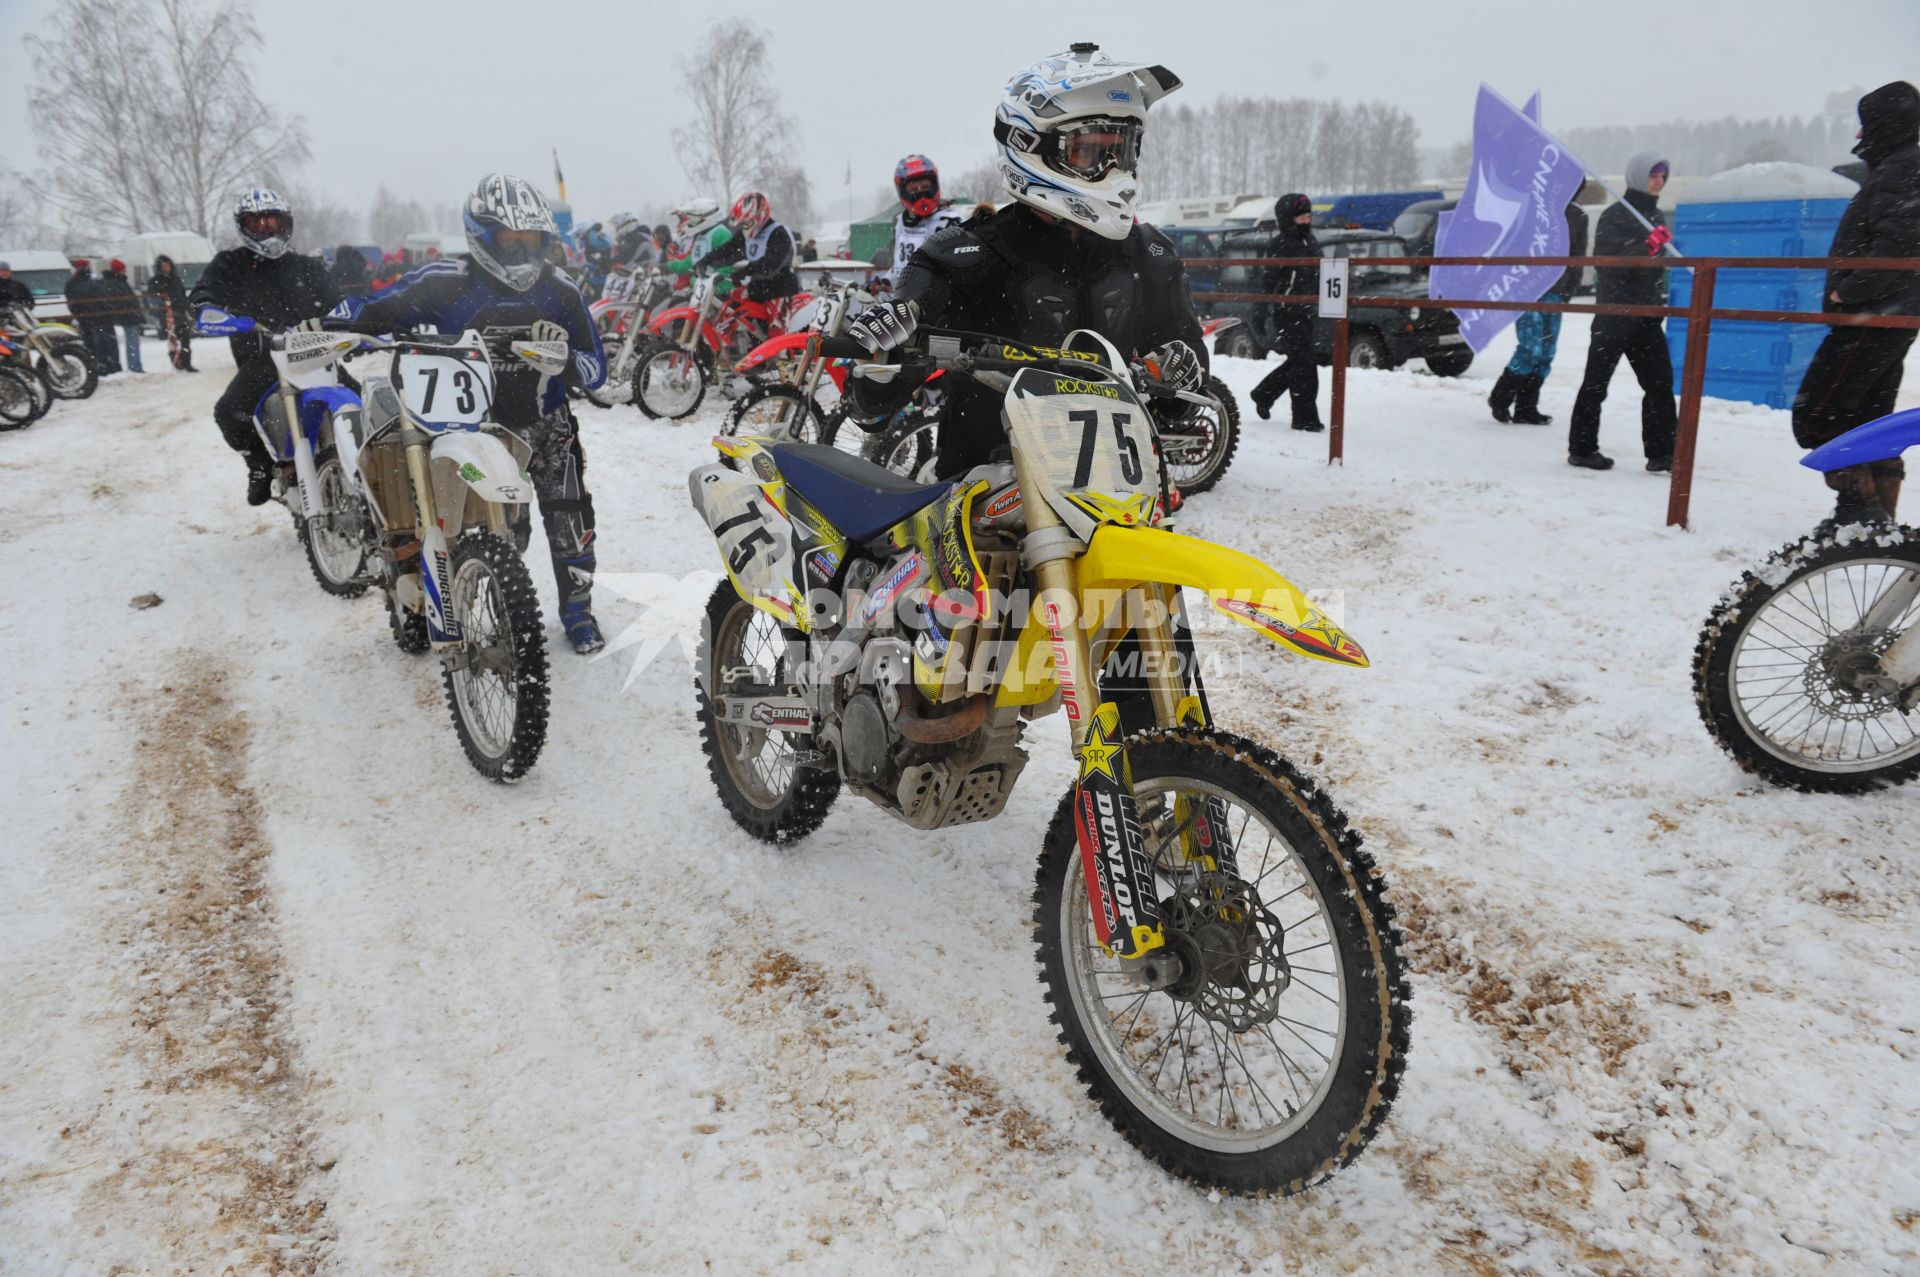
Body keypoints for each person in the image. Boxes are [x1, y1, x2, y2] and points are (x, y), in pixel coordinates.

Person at [843, 43, 1204, 479]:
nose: (1112, 169)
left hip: (1116, 503)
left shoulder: (1149, 255)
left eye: (1120, 150)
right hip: (988, 509)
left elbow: (1181, 408)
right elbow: (871, 410)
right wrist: (880, 355)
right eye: (1089, 152)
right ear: (1031, 146)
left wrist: (1179, 372)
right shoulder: (961, 259)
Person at [331, 173, 610, 655]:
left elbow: (598, 368)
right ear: (482, 236)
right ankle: (475, 596)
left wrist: (564, 360)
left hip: (550, 427)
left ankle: (578, 612)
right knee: (500, 527)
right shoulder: (446, 282)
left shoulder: (560, 289)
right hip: (476, 427)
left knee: (570, 519)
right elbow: (374, 306)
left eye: (532, 241)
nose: (522, 252)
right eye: (510, 240)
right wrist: (335, 323)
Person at [1791, 80, 1920, 525]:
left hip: (1873, 318)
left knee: (1816, 417)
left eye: (1865, 127)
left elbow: (1900, 245)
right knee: (1870, 422)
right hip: (1892, 317)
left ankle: (1862, 513)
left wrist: (1849, 290)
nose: (1859, 138)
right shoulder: (1903, 166)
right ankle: (1877, 519)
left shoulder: (1900, 170)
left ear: (1884, 125)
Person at [189, 188, 340, 505]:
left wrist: (356, 322)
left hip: (315, 355)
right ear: (244, 227)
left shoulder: (307, 267)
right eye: (258, 224)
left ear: (287, 224)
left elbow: (337, 303)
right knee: (229, 412)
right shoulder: (229, 264)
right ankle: (258, 463)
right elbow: (203, 296)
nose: (268, 230)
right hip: (263, 360)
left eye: (274, 222)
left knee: (357, 405)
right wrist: (209, 311)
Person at [1567, 151, 1677, 472]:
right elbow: (1607, 261)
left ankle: (1662, 454)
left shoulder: (1655, 217)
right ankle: (1582, 449)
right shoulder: (1615, 214)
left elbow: (1651, 269)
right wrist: (1646, 248)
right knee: (1596, 383)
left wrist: (1656, 258)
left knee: (1660, 383)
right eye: (1652, 175)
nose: (1658, 182)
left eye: (1662, 176)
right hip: (1614, 315)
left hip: (1646, 316)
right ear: (1637, 176)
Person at [1489, 197, 1588, 425]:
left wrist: (1570, 287)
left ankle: (1527, 407)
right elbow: (1511, 243)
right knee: (1530, 348)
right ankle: (1500, 398)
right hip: (1528, 288)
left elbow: (1578, 254)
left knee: (1546, 351)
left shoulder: (1578, 215)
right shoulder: (1531, 207)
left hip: (1557, 290)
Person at [1247, 194, 1323, 430]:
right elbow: (1267, 281)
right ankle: (1304, 418)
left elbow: (1320, 272)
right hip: (1287, 311)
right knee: (1304, 364)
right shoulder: (1280, 244)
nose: (1306, 221)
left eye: (1308, 216)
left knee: (1301, 361)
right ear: (1287, 219)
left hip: (1306, 310)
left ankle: (1264, 394)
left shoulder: (1310, 241)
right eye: (1301, 217)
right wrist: (1259, 311)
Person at [695, 191, 798, 304]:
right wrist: (706, 261)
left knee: (749, 317)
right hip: (757, 289)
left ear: (759, 216)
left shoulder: (778, 233)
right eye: (742, 223)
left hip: (780, 291)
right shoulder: (746, 233)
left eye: (747, 222)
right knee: (729, 313)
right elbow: (729, 249)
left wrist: (747, 270)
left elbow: (770, 265)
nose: (744, 226)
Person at [882, 155, 966, 289]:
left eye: (926, 187)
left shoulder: (948, 220)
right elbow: (901, 266)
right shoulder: (901, 221)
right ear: (903, 192)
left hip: (936, 299)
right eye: (914, 189)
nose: (921, 194)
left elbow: (959, 268)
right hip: (903, 298)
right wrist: (885, 281)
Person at [664, 196, 732, 295]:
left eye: (692, 219)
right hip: (701, 291)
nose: (689, 222)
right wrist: (667, 266)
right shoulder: (701, 236)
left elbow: (728, 265)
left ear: (705, 217)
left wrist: (718, 287)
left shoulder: (720, 234)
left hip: (719, 293)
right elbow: (691, 261)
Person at [67, 259, 118, 373]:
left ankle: (96, 366)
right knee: (104, 343)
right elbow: (105, 301)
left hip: (87, 318)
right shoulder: (94, 283)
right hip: (99, 318)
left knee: (93, 343)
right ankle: (108, 366)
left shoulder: (74, 284)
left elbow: (72, 304)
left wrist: (79, 315)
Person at [147, 255, 195, 371]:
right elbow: (153, 297)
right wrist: (163, 302)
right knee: (172, 339)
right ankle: (177, 362)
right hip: (167, 314)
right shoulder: (155, 281)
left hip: (180, 311)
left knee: (185, 338)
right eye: (164, 266)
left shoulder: (176, 279)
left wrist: (188, 308)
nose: (166, 267)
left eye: (168, 265)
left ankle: (187, 363)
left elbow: (182, 295)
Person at [98, 259, 145, 373]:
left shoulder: (112, 282)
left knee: (132, 342)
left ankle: (134, 365)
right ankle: (134, 366)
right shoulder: (118, 283)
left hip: (127, 314)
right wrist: (130, 306)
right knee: (132, 343)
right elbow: (119, 300)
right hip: (128, 315)